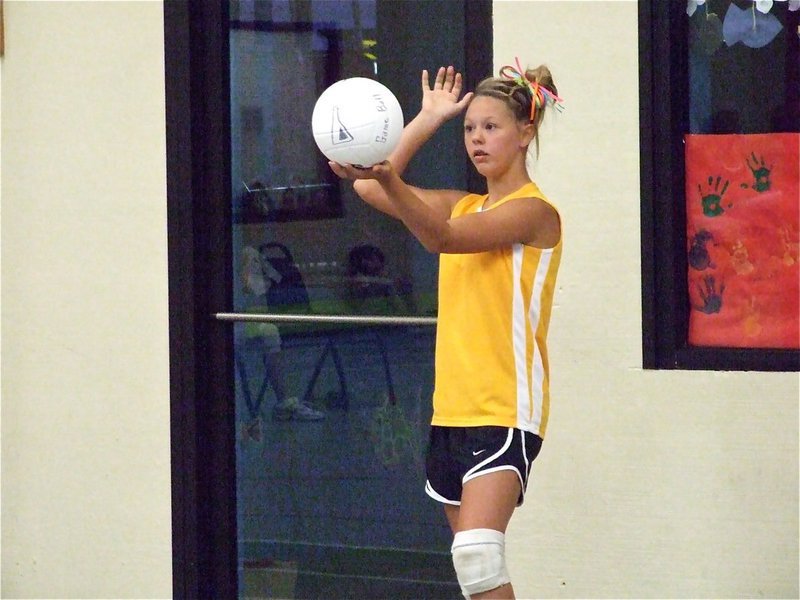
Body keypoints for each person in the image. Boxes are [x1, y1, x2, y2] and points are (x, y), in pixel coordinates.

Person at [329, 60, 563, 599]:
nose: (477, 139)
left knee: (479, 554)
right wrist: (428, 117)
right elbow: (369, 191)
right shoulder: (464, 204)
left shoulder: (534, 212)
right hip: (451, 408)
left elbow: (443, 238)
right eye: (469, 128)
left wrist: (387, 174)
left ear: (526, 132)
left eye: (492, 126)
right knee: (473, 573)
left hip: (504, 407)